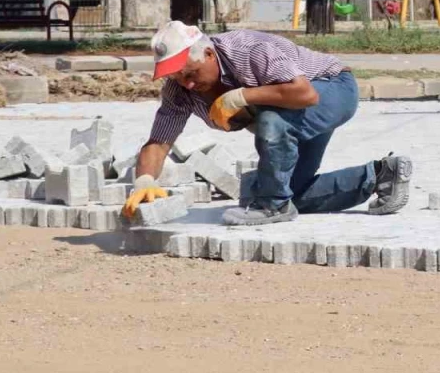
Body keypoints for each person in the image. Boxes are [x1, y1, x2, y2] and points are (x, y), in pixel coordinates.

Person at [121, 21, 412, 226]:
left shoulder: (249, 49)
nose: (188, 83)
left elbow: (304, 94)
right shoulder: (179, 91)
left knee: (271, 122)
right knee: (285, 189)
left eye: (191, 73)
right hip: (290, 112)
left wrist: (240, 97)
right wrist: (144, 182)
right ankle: (380, 176)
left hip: (331, 88)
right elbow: (158, 142)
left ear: (209, 54)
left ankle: (272, 206)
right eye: (178, 78)